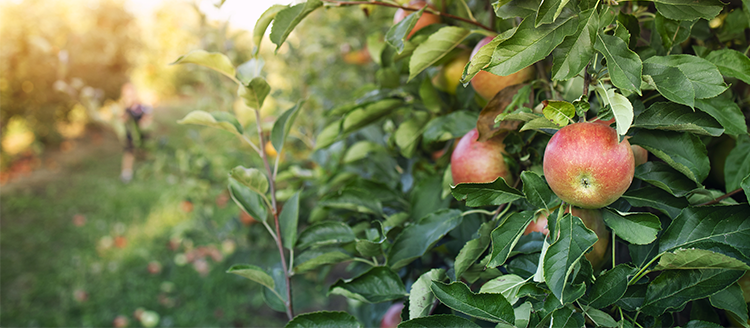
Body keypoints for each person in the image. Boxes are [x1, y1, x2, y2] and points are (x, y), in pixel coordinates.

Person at [119, 83, 152, 183]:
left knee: (146, 150)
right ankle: (126, 173)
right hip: (131, 134)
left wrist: (145, 122)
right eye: (127, 95)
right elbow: (121, 119)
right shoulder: (124, 107)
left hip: (142, 132)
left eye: (131, 94)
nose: (130, 97)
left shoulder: (141, 106)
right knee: (129, 152)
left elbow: (148, 116)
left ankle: (148, 169)